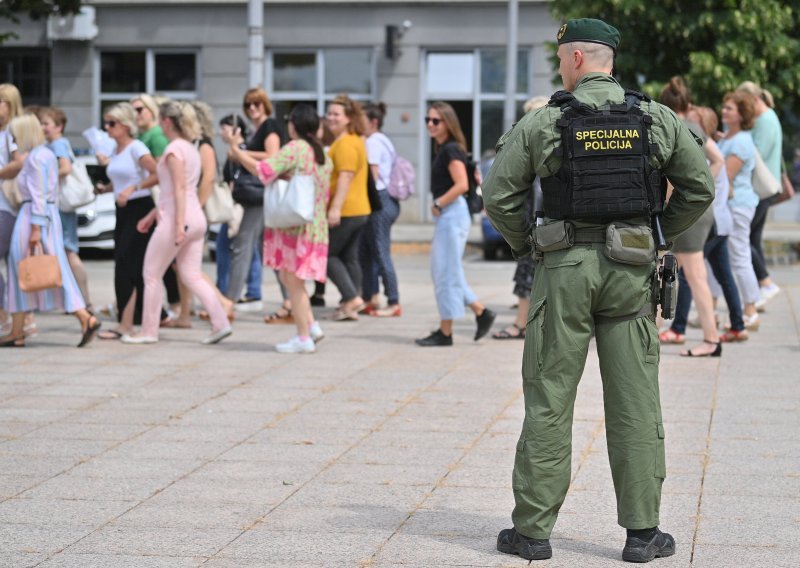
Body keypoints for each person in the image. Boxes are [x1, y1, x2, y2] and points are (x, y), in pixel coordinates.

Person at [483, 18, 713, 562]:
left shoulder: (546, 121)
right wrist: (658, 236)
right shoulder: (655, 118)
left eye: (562, 57)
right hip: (631, 272)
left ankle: (533, 534)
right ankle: (642, 535)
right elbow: (700, 185)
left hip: (563, 269)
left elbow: (499, 194)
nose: (561, 65)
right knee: (635, 402)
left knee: (550, 400)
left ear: (578, 59)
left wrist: (526, 247)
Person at [121, 101, 232, 345]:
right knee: (191, 275)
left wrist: (178, 224)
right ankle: (220, 323)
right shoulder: (191, 148)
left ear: (167, 122)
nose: (160, 125)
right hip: (194, 217)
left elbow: (178, 188)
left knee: (151, 274)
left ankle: (149, 331)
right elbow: (177, 189)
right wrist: (152, 216)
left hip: (177, 218)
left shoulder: (174, 150)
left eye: (161, 120)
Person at [229, 104, 331, 353]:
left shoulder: (296, 148)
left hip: (295, 227)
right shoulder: (320, 153)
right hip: (313, 226)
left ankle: (303, 338)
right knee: (290, 277)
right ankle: (311, 326)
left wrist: (237, 150)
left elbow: (262, 170)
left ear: (294, 125)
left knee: (294, 283)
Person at [0, 114, 100, 348]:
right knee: (50, 270)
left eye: (15, 134)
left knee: (23, 271)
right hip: (43, 218)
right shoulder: (43, 155)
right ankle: (18, 331)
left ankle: (82, 318)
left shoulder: (36, 158)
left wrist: (35, 228)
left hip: (33, 219)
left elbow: (39, 195)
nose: (13, 139)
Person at [415, 101, 496, 346]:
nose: (430, 124)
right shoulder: (444, 148)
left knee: (446, 272)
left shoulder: (451, 150)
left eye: (436, 121)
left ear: (447, 123)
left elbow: (461, 184)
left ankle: (447, 331)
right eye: (428, 120)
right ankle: (480, 312)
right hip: (450, 214)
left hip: (452, 213)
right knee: (445, 271)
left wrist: (438, 203)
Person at [657, 77, 721, 356]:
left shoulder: (671, 125)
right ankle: (654, 328)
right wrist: (704, 185)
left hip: (682, 210)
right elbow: (717, 160)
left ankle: (711, 339)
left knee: (691, 275)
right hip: (699, 209)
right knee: (675, 271)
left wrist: (672, 200)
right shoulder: (695, 126)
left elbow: (672, 171)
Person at [95, 103, 159, 340]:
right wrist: (106, 189)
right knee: (123, 265)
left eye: (112, 123)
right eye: (106, 123)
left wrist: (134, 188)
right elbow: (123, 179)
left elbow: (157, 173)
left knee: (129, 265)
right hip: (122, 209)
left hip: (139, 208)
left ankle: (128, 322)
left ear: (125, 125)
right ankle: (131, 320)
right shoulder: (115, 150)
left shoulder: (137, 147)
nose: (107, 127)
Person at [221, 88, 286, 319]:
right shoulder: (259, 129)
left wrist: (241, 152)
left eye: (256, 104)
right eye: (248, 104)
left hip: (263, 195)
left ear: (265, 105)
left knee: (243, 245)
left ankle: (228, 302)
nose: (252, 108)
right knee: (267, 248)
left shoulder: (270, 126)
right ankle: (289, 301)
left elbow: (273, 156)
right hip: (260, 194)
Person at [492, 96, 548, 340]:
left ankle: (521, 322)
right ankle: (527, 321)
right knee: (533, 270)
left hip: (535, 218)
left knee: (528, 267)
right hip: (539, 217)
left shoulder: (534, 146)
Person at [38, 106, 92, 309]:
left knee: (68, 252)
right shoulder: (58, 143)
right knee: (67, 252)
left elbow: (65, 168)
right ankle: (76, 300)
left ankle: (82, 301)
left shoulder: (58, 144)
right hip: (62, 206)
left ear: (59, 126)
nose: (43, 128)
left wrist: (44, 178)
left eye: (47, 124)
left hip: (60, 207)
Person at [718, 91, 762, 330]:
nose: (724, 111)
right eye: (724, 107)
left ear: (741, 114)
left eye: (729, 109)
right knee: (719, 259)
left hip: (738, 206)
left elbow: (726, 177)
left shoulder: (741, 141)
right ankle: (714, 307)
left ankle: (751, 310)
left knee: (739, 257)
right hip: (730, 206)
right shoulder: (729, 138)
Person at [324, 94, 370, 321]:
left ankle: (351, 297)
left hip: (347, 209)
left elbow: (346, 176)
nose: (331, 118)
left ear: (348, 118)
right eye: (329, 113)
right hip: (359, 209)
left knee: (326, 255)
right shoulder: (354, 140)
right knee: (349, 257)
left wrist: (334, 208)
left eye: (336, 114)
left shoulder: (346, 143)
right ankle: (352, 302)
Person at [736, 81, 782, 304]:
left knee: (745, 240)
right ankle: (761, 286)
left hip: (761, 188)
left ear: (754, 100)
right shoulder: (768, 118)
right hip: (764, 187)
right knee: (752, 238)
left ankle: (765, 283)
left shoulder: (765, 121)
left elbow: (756, 155)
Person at [359, 101, 402, 317]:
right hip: (387, 200)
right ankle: (370, 297)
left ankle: (393, 301)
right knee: (367, 251)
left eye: (362, 119)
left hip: (379, 200)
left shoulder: (373, 142)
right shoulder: (384, 140)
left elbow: (372, 175)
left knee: (379, 250)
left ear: (373, 122)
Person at [0, 83, 25, 336]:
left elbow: (20, 163)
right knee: (13, 265)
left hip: (7, 207)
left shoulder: (14, 132)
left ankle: (10, 316)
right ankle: (17, 318)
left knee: (14, 265)